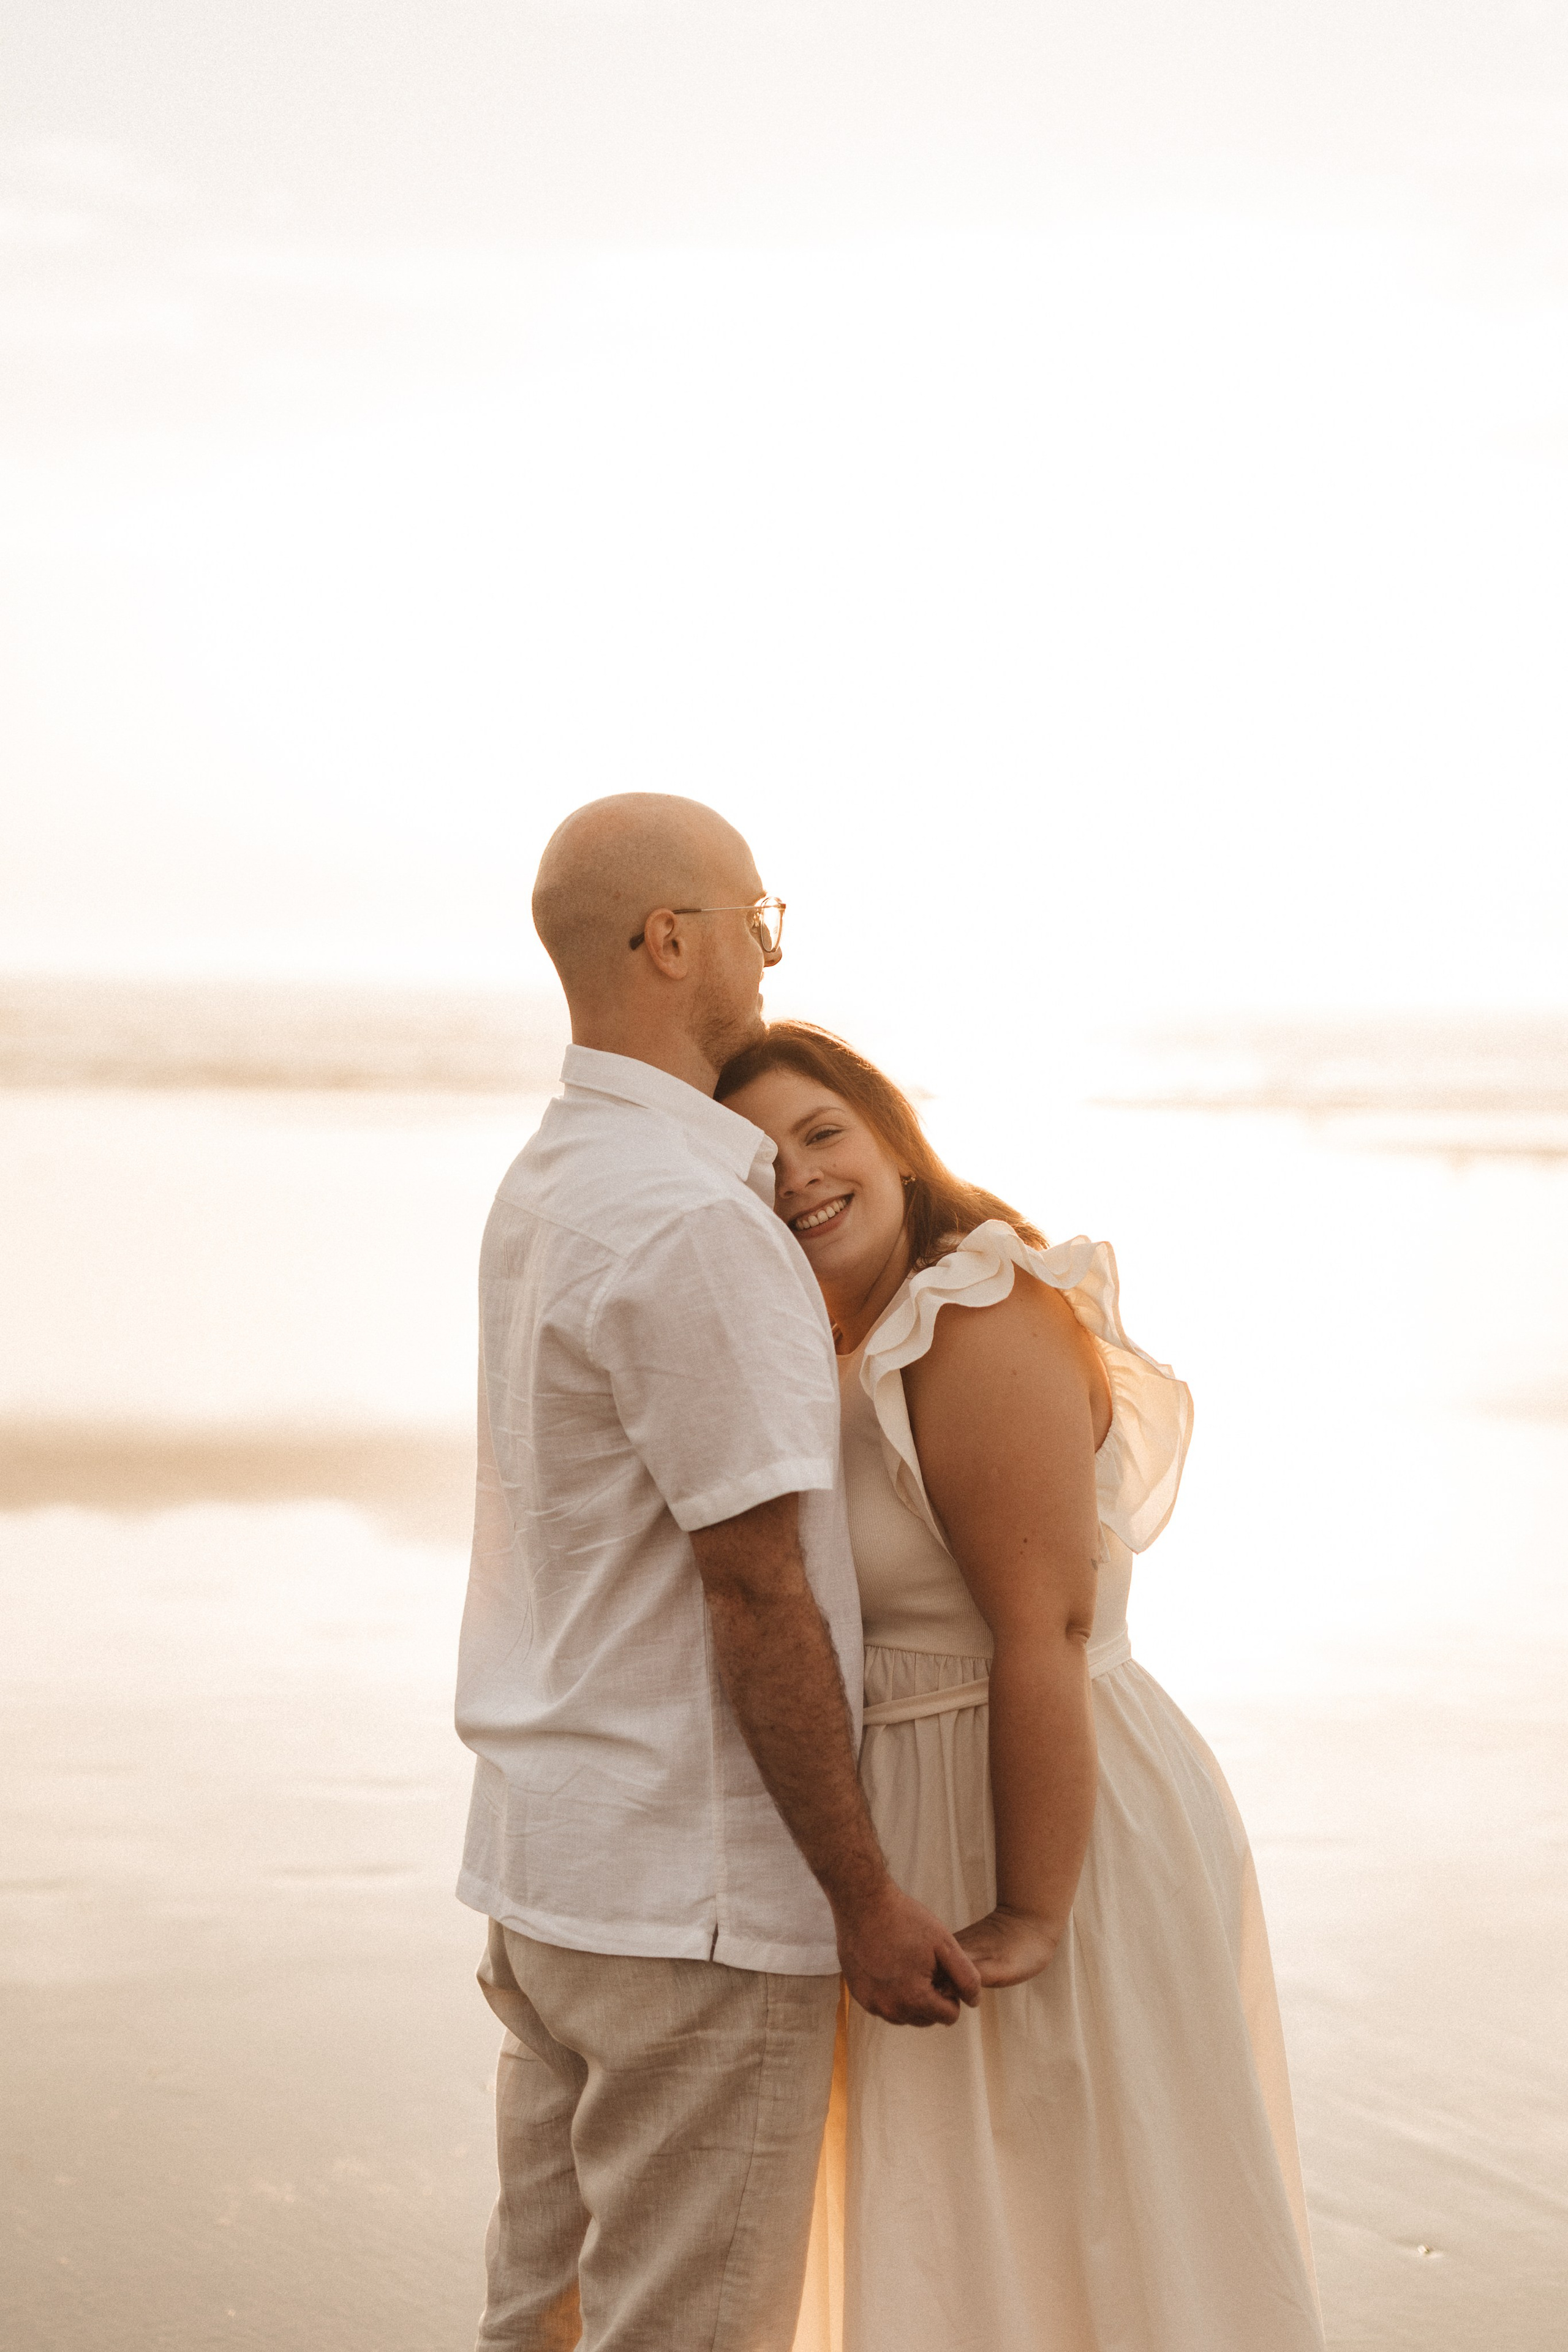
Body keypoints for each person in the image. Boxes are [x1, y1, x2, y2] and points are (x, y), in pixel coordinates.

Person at [454, 800, 981, 2352]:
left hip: (548, 1867)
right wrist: (863, 1895)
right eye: (757, 916)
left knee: (536, 2322)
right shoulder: (693, 1219)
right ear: (669, 940)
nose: (768, 948)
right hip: (687, 1906)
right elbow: (756, 1592)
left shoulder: (549, 1179)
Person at [717, 1021, 1326, 2352]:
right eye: (759, 1159)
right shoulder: (822, 1331)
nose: (801, 1175)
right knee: (953, 2235)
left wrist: (1035, 1910)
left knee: (1086, 2216)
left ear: (891, 1140)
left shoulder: (970, 1309)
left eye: (823, 1133)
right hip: (908, 1814)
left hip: (1042, 1810)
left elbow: (1039, 1630)